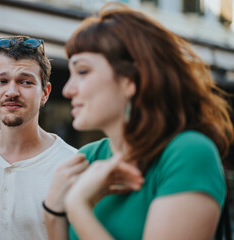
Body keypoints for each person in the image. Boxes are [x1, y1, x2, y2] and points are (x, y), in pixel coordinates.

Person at [43, 3, 234, 240]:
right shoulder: (86, 158)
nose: (68, 90)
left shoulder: (188, 153)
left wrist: (78, 206)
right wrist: (52, 209)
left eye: (82, 72)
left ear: (129, 81)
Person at [0, 36, 77, 240]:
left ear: (45, 93)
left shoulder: (71, 165)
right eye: (2, 81)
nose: (12, 92)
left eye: (25, 82)